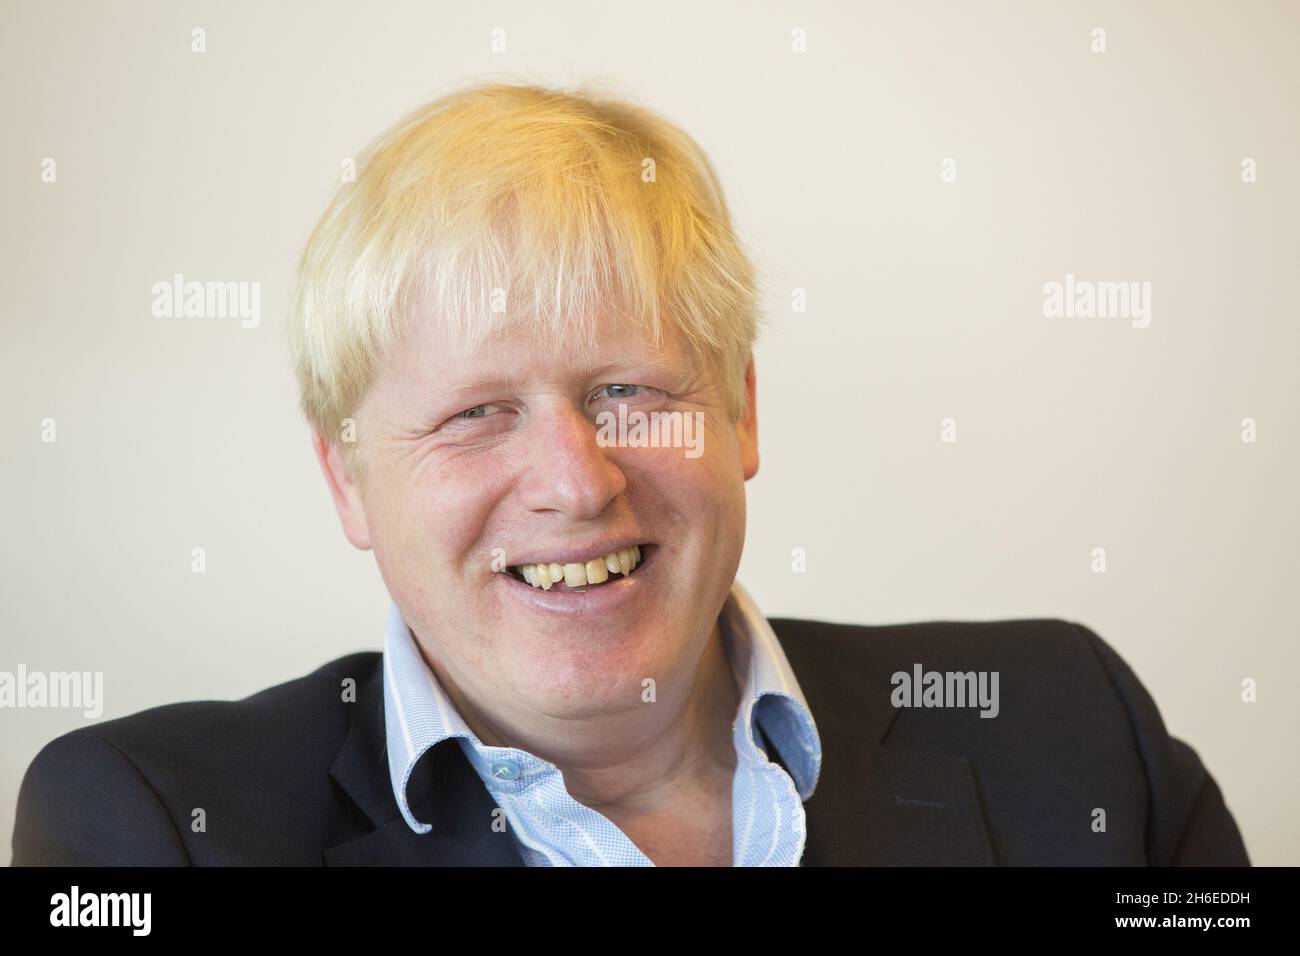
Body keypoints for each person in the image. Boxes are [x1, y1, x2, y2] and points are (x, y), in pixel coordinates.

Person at [11, 81, 1249, 866]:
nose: (575, 478)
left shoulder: (1075, 732)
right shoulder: (150, 828)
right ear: (346, 479)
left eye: (629, 391)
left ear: (742, 412)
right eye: (475, 411)